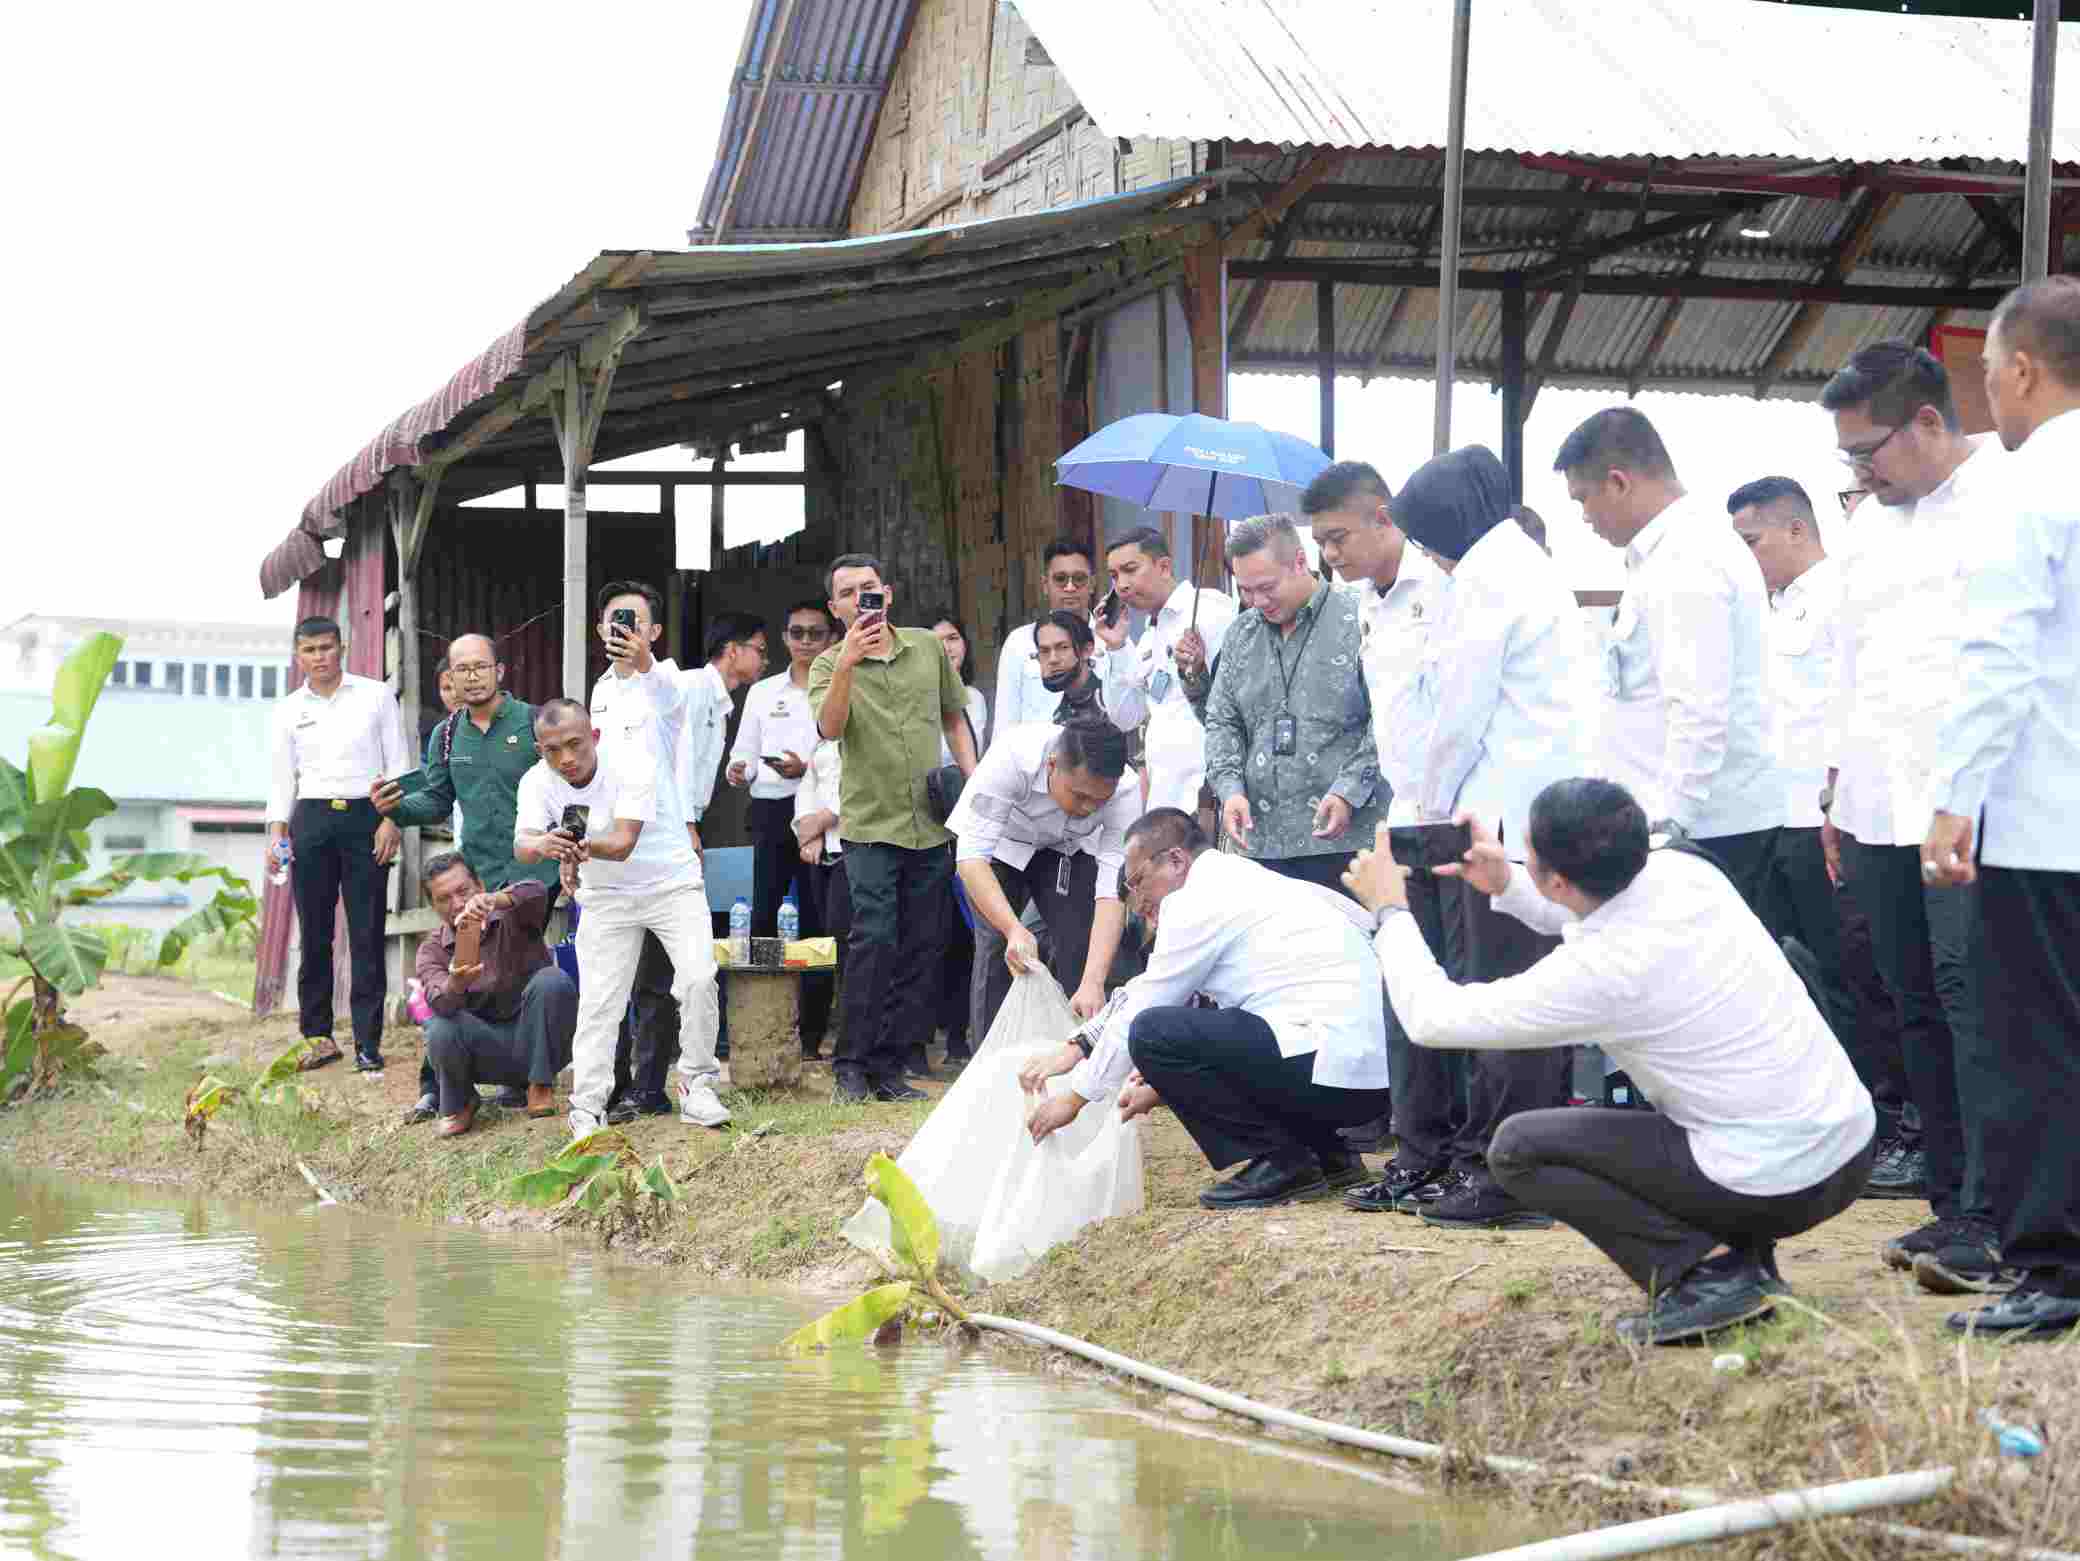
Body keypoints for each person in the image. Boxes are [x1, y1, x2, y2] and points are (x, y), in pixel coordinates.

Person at [1350, 784, 1876, 1345]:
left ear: (1555, 880)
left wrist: (1390, 911)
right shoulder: (1685, 871)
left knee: (1520, 1148)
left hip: (1776, 1181)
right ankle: (1739, 1253)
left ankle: (1707, 1275)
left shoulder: (1601, 973)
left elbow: (1432, 1018)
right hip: (1848, 1146)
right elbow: (1588, 913)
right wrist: (1507, 883)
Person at [1818, 341, 1998, 1289]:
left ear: (1929, 421)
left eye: (1868, 451)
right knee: (1913, 1000)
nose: (1859, 472)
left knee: (1982, 1005)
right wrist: (1836, 791)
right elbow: (1849, 666)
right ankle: (1953, 1202)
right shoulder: (1868, 528)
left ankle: (2009, 1209)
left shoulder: (2011, 499)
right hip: (1880, 802)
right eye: (1847, 458)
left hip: (1968, 806)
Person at [1922, 276, 2080, 1336]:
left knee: (2033, 1043)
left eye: (1986, 376)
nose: (1989, 398)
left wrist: (1951, 800)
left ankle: (2052, 1265)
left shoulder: (2029, 484)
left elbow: (1996, 656)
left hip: (2039, 814)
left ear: (2022, 367)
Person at [1391, 444, 1594, 1231]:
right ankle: (1507, 1158)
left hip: (1496, 817)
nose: (1425, 553)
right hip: (1535, 807)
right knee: (1526, 992)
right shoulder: (1523, 563)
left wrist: (1428, 807)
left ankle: (1511, 1173)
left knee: (1507, 998)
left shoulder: (1484, 576)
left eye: (1424, 535)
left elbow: (1457, 716)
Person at [1019, 809, 1390, 1209]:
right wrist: (1085, 1050)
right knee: (1231, 1025)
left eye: (1138, 881)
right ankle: (1329, 1154)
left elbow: (1143, 1012)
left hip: (1327, 1068)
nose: (1138, 901)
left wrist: (1074, 1099)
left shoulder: (1194, 901)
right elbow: (1153, 992)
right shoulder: (1248, 880)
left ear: (1176, 860)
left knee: (1153, 1032)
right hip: (1372, 1079)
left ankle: (1284, 1163)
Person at [1303, 459, 1456, 1201]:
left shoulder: (1446, 587)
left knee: (1457, 988)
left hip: (1458, 816)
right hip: (1403, 817)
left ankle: (1461, 1154)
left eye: (1338, 537)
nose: (1331, 555)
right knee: (1404, 985)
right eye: (1321, 543)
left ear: (1382, 517)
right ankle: (1417, 1150)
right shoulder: (1363, 600)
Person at [1555, 407, 1779, 899]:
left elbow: (1698, 708)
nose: (1585, 517)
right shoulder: (1660, 556)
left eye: (1583, 500)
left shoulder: (1687, 557)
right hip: (1681, 825)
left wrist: (1668, 826)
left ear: (1617, 482)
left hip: (1702, 831)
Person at [514, 698, 727, 1137]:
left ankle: (697, 1086)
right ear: (540, 750)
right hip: (606, 896)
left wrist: (572, 850)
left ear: (594, 736)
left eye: (575, 744)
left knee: (698, 979)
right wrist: (544, 846)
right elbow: (523, 843)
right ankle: (588, 1108)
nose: (566, 759)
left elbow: (623, 841)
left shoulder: (632, 762)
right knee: (599, 1002)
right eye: (553, 750)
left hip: (670, 883)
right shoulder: (537, 781)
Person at [809, 555, 978, 1103]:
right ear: (835, 608)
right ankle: (850, 1065)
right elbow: (830, 728)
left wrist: (973, 786)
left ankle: (889, 1067)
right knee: (874, 942)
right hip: (870, 826)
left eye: (870, 588)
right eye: (849, 593)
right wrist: (847, 665)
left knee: (923, 947)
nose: (862, 599)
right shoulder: (828, 665)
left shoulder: (927, 648)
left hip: (932, 824)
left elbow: (955, 716)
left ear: (889, 592)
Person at [1723, 481, 1872, 1102]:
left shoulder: (1844, 593)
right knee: (1781, 975)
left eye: (1750, 541)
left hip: (1824, 819)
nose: (1744, 557)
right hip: (1769, 816)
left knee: (1847, 971)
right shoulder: (1764, 609)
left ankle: (1880, 1112)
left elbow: (1859, 705)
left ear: (1795, 530)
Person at [378, 632, 562, 1124]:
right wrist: (397, 810)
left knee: (531, 970)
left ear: (500, 671)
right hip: (477, 876)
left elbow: (566, 779)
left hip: (534, 875)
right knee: (468, 972)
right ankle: (445, 1087)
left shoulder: (531, 723)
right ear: (451, 679)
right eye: (463, 669)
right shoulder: (445, 735)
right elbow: (436, 799)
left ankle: (530, 1076)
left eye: (482, 666)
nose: (473, 675)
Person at [1202, 513, 1382, 889]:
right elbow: (1222, 721)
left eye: (1267, 587)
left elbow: (1389, 718)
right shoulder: (1241, 634)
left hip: (1345, 842)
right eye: (1246, 590)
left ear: (1300, 562)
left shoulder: (1361, 617)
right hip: (1259, 845)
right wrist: (1230, 789)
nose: (1257, 601)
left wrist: (1349, 792)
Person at [267, 615, 410, 1076]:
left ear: (342, 647)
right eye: (310, 651)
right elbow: (280, 777)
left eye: (327, 648)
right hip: (310, 819)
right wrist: (277, 831)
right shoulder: (289, 709)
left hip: (368, 816)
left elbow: (400, 765)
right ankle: (318, 1036)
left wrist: (392, 820)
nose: (320, 658)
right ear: (298, 655)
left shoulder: (375, 696)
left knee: (367, 933)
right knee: (315, 935)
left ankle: (368, 1043)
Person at [587, 581, 705, 1122]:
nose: (625, 630)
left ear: (653, 631)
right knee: (608, 994)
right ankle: (607, 1094)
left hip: (665, 861)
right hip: (610, 865)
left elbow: (669, 701)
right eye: (615, 620)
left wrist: (646, 662)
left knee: (673, 982)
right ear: (599, 630)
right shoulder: (600, 692)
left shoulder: (669, 682)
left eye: (635, 621)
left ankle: (660, 1088)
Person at [950, 718, 1137, 1043]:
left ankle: (1074, 1060)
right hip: (1001, 846)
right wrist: (1013, 929)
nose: (1089, 808)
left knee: (1081, 943)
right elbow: (972, 857)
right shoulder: (1012, 755)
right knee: (999, 947)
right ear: (1052, 765)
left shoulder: (1126, 790)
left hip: (1068, 850)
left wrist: (1093, 980)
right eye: (1079, 796)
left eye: (1099, 801)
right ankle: (991, 1062)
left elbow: (1112, 890)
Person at [726, 600, 836, 1059]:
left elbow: (841, 753)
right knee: (767, 918)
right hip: (771, 811)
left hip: (822, 813)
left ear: (830, 638)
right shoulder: (763, 691)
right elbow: (744, 753)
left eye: (815, 633)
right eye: (797, 633)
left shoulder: (837, 686)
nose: (806, 642)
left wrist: (804, 767)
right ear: (785, 637)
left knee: (817, 921)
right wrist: (739, 770)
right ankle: (767, 1026)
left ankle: (811, 1035)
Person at [412, 852, 575, 1137]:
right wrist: (456, 983)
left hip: (539, 1042)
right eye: (444, 899)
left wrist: (497, 901)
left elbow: (537, 891)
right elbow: (438, 1002)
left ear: (481, 885)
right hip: (486, 1052)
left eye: (464, 891)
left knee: (553, 980)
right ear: (433, 906)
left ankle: (539, 1085)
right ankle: (460, 1101)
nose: (458, 904)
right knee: (439, 1026)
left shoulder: (512, 913)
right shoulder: (432, 949)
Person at [1096, 526, 1236, 814]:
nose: (1121, 585)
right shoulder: (1149, 634)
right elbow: (1126, 717)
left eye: (1130, 570)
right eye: (1114, 576)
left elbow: (1240, 701)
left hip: (1209, 793)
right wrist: (1117, 647)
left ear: (1164, 567)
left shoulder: (1210, 610)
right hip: (1165, 796)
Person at [926, 612, 989, 1071]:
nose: (946, 646)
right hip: (926, 818)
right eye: (936, 640)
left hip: (966, 816)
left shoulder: (975, 699)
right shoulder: (913, 696)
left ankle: (962, 1036)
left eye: (953, 636)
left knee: (972, 930)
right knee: (936, 931)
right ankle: (937, 1032)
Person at [994, 539, 1107, 737]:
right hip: (1036, 764)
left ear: (1092, 584)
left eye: (1079, 578)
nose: (1070, 587)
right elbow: (1005, 724)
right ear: (1045, 585)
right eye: (1061, 579)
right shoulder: (1019, 642)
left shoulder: (1111, 640)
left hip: (1096, 759)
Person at [677, 611, 770, 838]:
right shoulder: (694, 687)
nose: (766, 660)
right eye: (760, 650)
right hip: (671, 820)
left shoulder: (718, 700)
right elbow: (679, 760)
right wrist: (688, 826)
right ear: (733, 650)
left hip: (686, 819)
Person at [792, 735, 850, 1058]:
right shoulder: (821, 741)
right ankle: (810, 1040)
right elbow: (807, 787)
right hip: (820, 855)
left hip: (853, 850)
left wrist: (822, 821)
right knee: (818, 947)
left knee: (846, 949)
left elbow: (862, 791)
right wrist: (808, 835)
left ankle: (847, 1042)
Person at [1032, 610, 1106, 722]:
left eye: (1063, 647)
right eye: (1044, 651)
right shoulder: (1055, 711)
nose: (1053, 659)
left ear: (1086, 650)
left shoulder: (1110, 703)